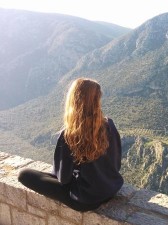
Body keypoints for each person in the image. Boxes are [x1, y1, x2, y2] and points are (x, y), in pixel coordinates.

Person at [18, 78, 123, 212]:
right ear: (97, 100)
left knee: (24, 174)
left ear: (73, 100)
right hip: (111, 188)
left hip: (86, 200)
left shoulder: (69, 135)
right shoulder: (109, 125)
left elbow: (63, 178)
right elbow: (116, 164)